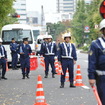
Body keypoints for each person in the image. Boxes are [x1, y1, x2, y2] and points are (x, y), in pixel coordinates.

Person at [88, 19, 105, 105]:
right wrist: (91, 77)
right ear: (102, 30)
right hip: (102, 77)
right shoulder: (96, 44)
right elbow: (92, 62)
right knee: (103, 99)